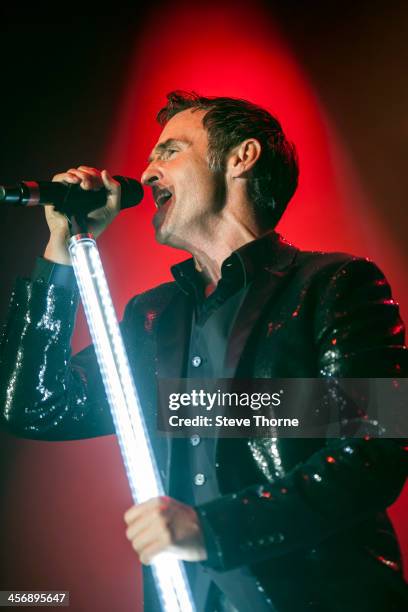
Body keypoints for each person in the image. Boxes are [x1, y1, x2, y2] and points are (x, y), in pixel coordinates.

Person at [0, 91, 407, 612]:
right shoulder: (153, 318)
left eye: (168, 152)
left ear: (241, 158)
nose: (145, 175)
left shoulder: (333, 285)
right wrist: (60, 250)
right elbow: (36, 406)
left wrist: (209, 528)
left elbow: (374, 452)